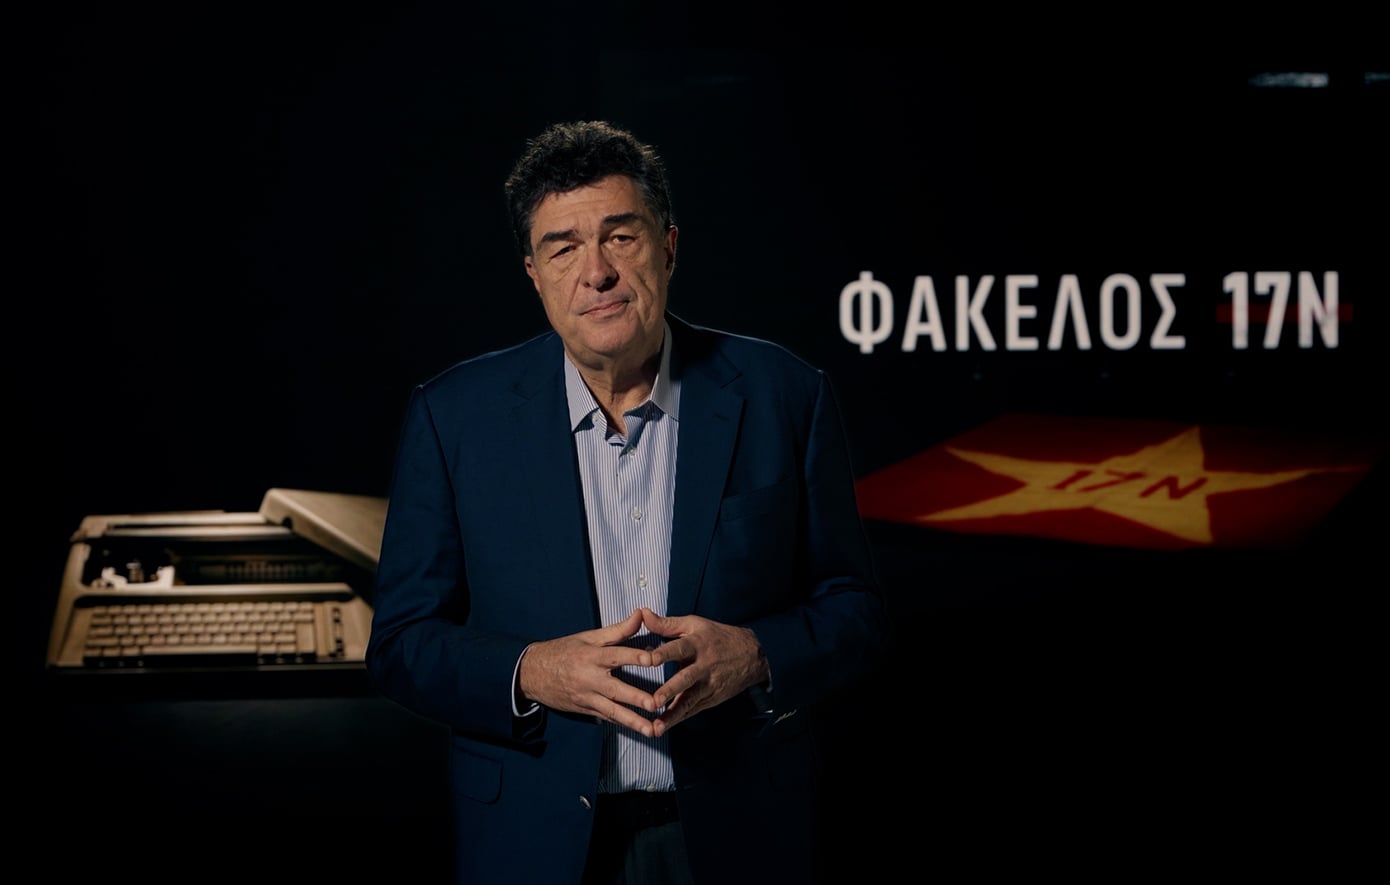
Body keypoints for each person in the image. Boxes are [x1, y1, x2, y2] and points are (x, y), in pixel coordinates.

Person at [366, 119, 887, 885]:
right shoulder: (454, 417)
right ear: (533, 273)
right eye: (563, 248)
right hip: (532, 840)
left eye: (621, 236)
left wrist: (757, 652)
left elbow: (857, 610)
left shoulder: (786, 395)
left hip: (739, 831)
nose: (597, 272)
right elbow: (401, 644)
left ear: (668, 247)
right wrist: (532, 670)